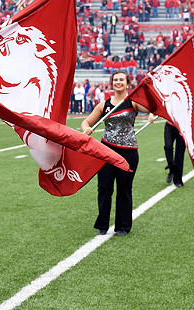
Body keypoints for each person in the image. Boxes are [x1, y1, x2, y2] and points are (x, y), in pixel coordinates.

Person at [81, 70, 155, 236]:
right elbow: (86, 122)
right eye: (115, 80)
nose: (118, 82)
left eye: (122, 80)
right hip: (105, 151)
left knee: (124, 189)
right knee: (104, 188)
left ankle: (123, 226)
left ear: (128, 83)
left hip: (128, 153)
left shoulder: (133, 103)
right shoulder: (104, 105)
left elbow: (151, 106)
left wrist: (147, 90)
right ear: (112, 83)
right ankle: (103, 225)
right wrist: (87, 129)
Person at [164, 121, 185, 187]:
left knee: (180, 153)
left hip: (182, 126)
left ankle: (178, 180)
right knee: (168, 147)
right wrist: (151, 114)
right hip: (169, 124)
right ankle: (171, 167)